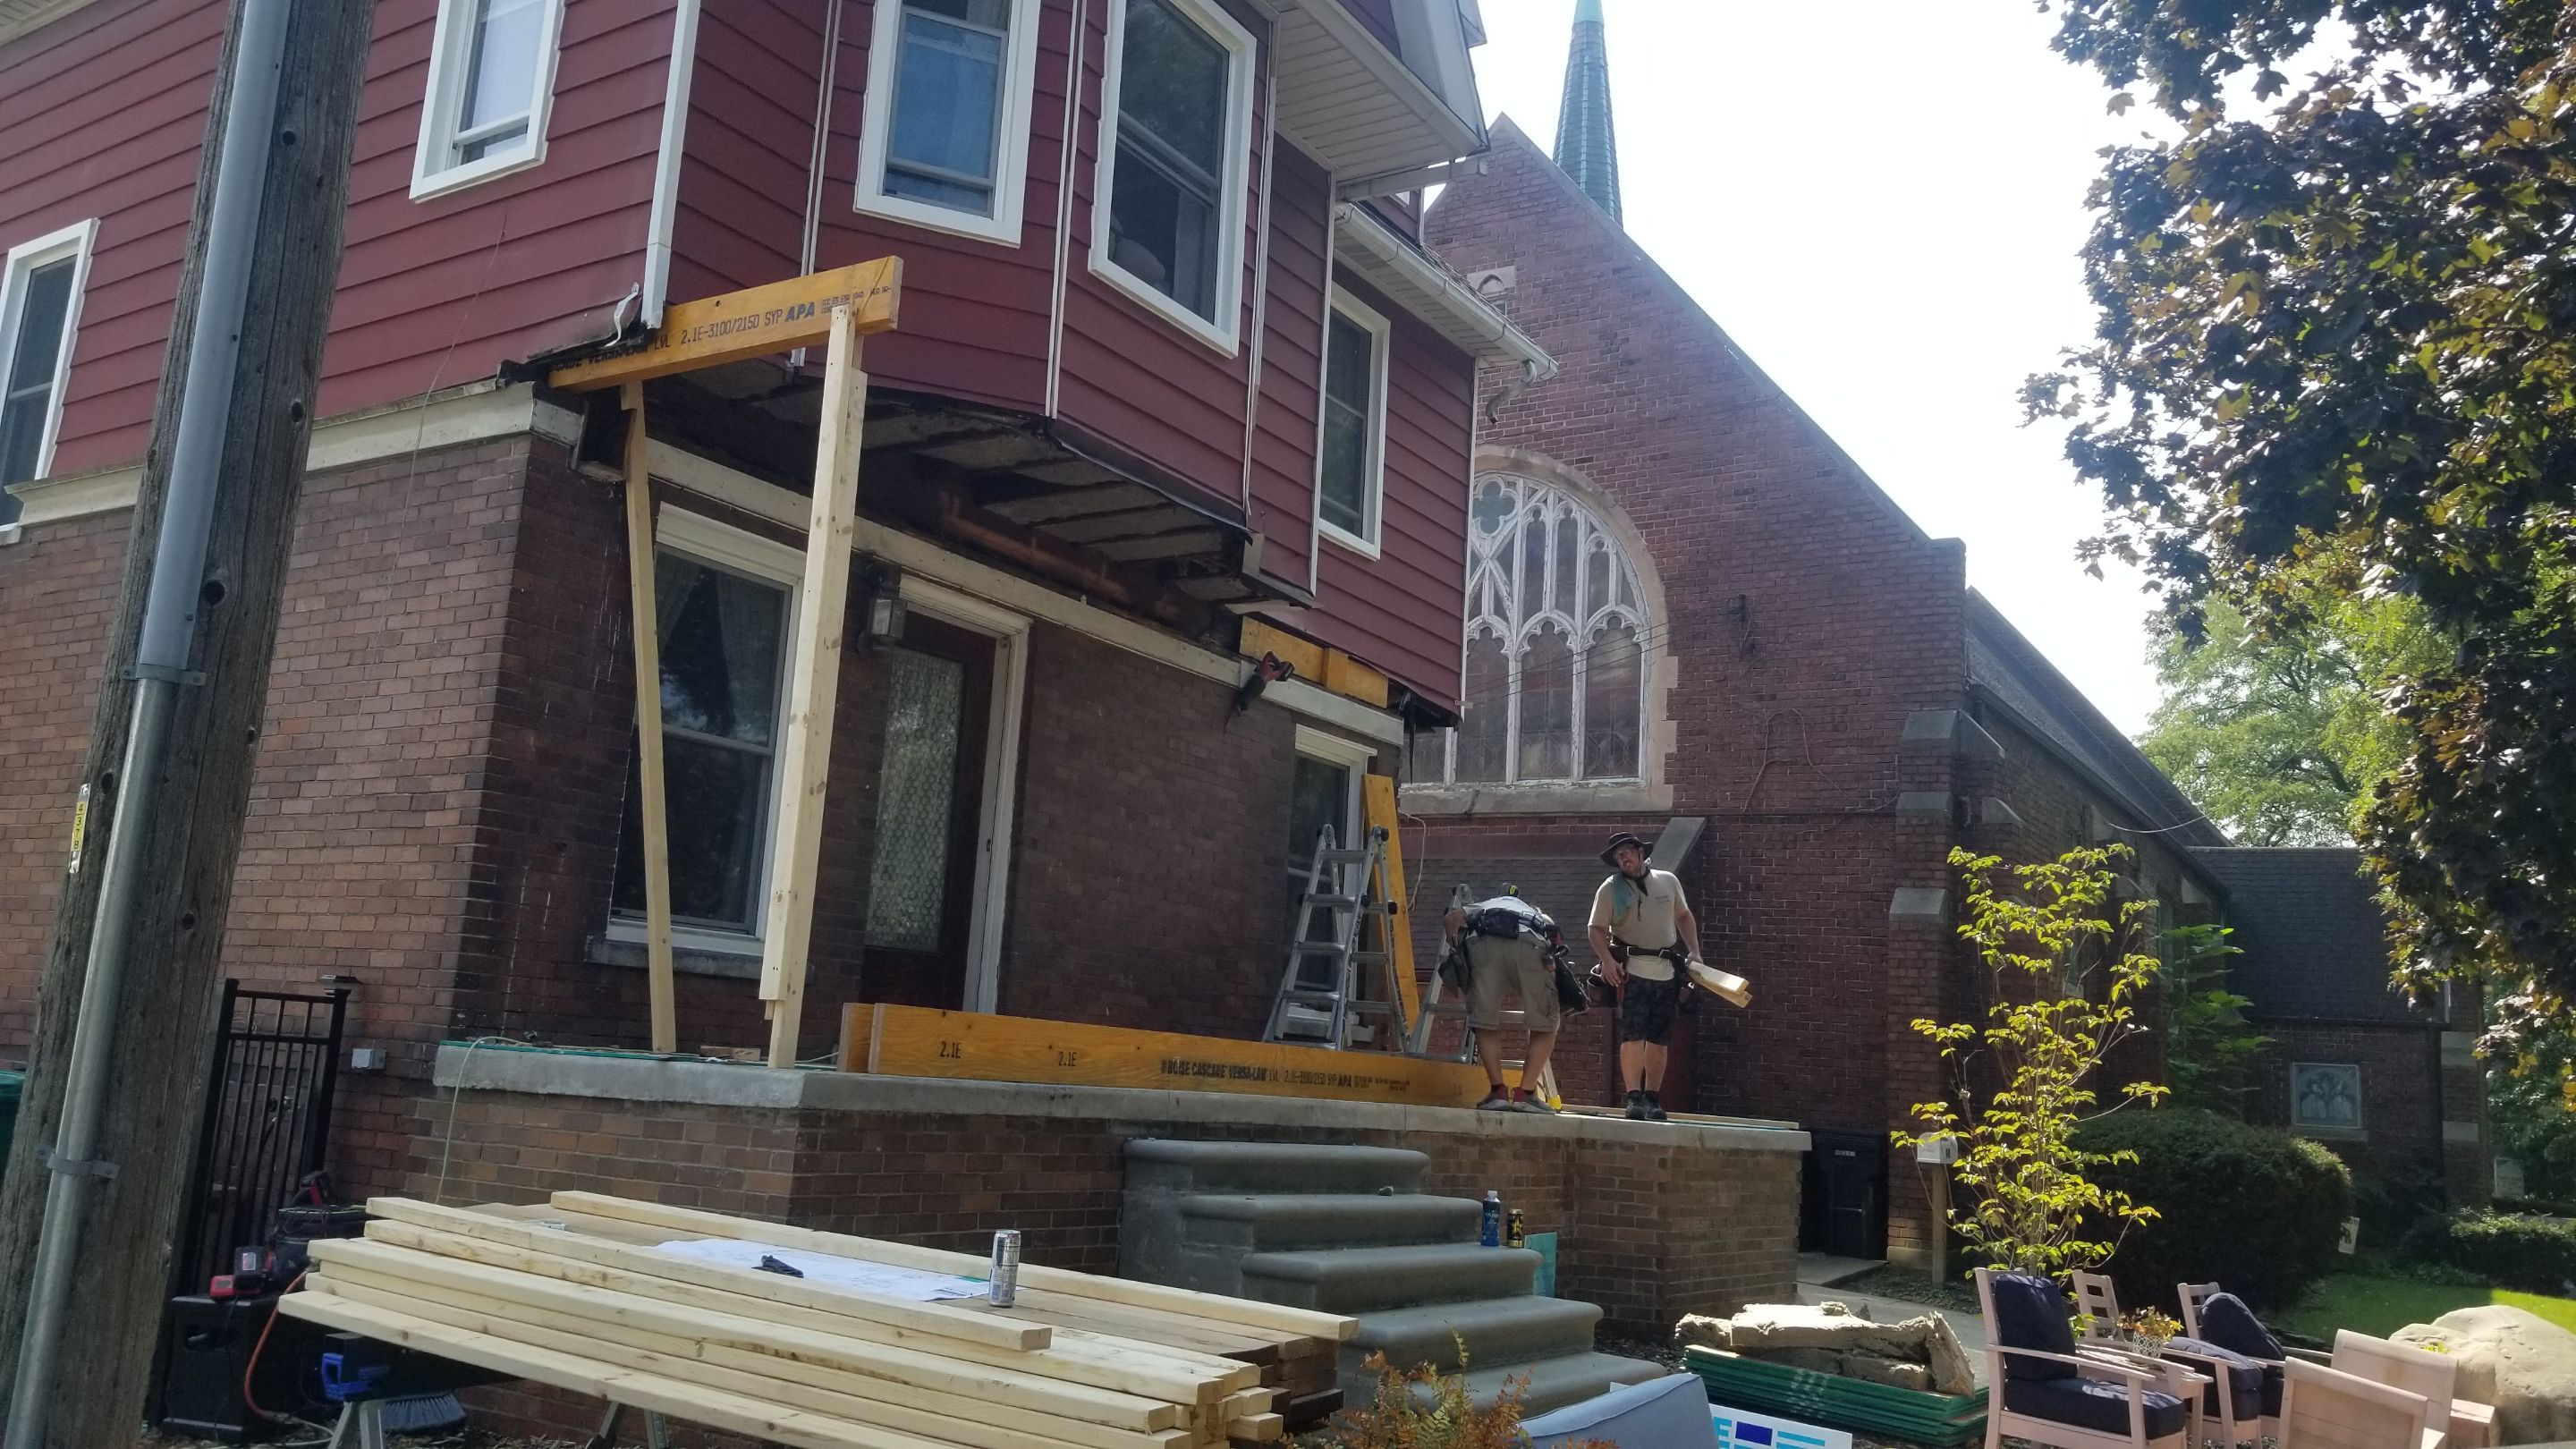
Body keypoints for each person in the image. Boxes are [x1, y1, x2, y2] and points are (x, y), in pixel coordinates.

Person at [1588, 831, 1701, 1121]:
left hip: (1665, 970)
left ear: (1640, 852)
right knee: (1633, 1035)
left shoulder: (1668, 881)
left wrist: (1694, 952)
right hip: (1632, 970)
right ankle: (1634, 1097)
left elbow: (1684, 916)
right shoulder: (1610, 889)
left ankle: (1653, 1097)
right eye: (1618, 855)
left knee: (1660, 1038)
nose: (1624, 858)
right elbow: (1596, 928)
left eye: (1627, 852)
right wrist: (1608, 962)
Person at [1441, 889, 1563, 1114]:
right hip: (1528, 941)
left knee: (1484, 1019)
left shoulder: (1484, 905)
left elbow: (1451, 919)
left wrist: (1455, 949)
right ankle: (1525, 1094)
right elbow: (1552, 938)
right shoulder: (1533, 912)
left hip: (1482, 943)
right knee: (1546, 1021)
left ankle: (1497, 1092)